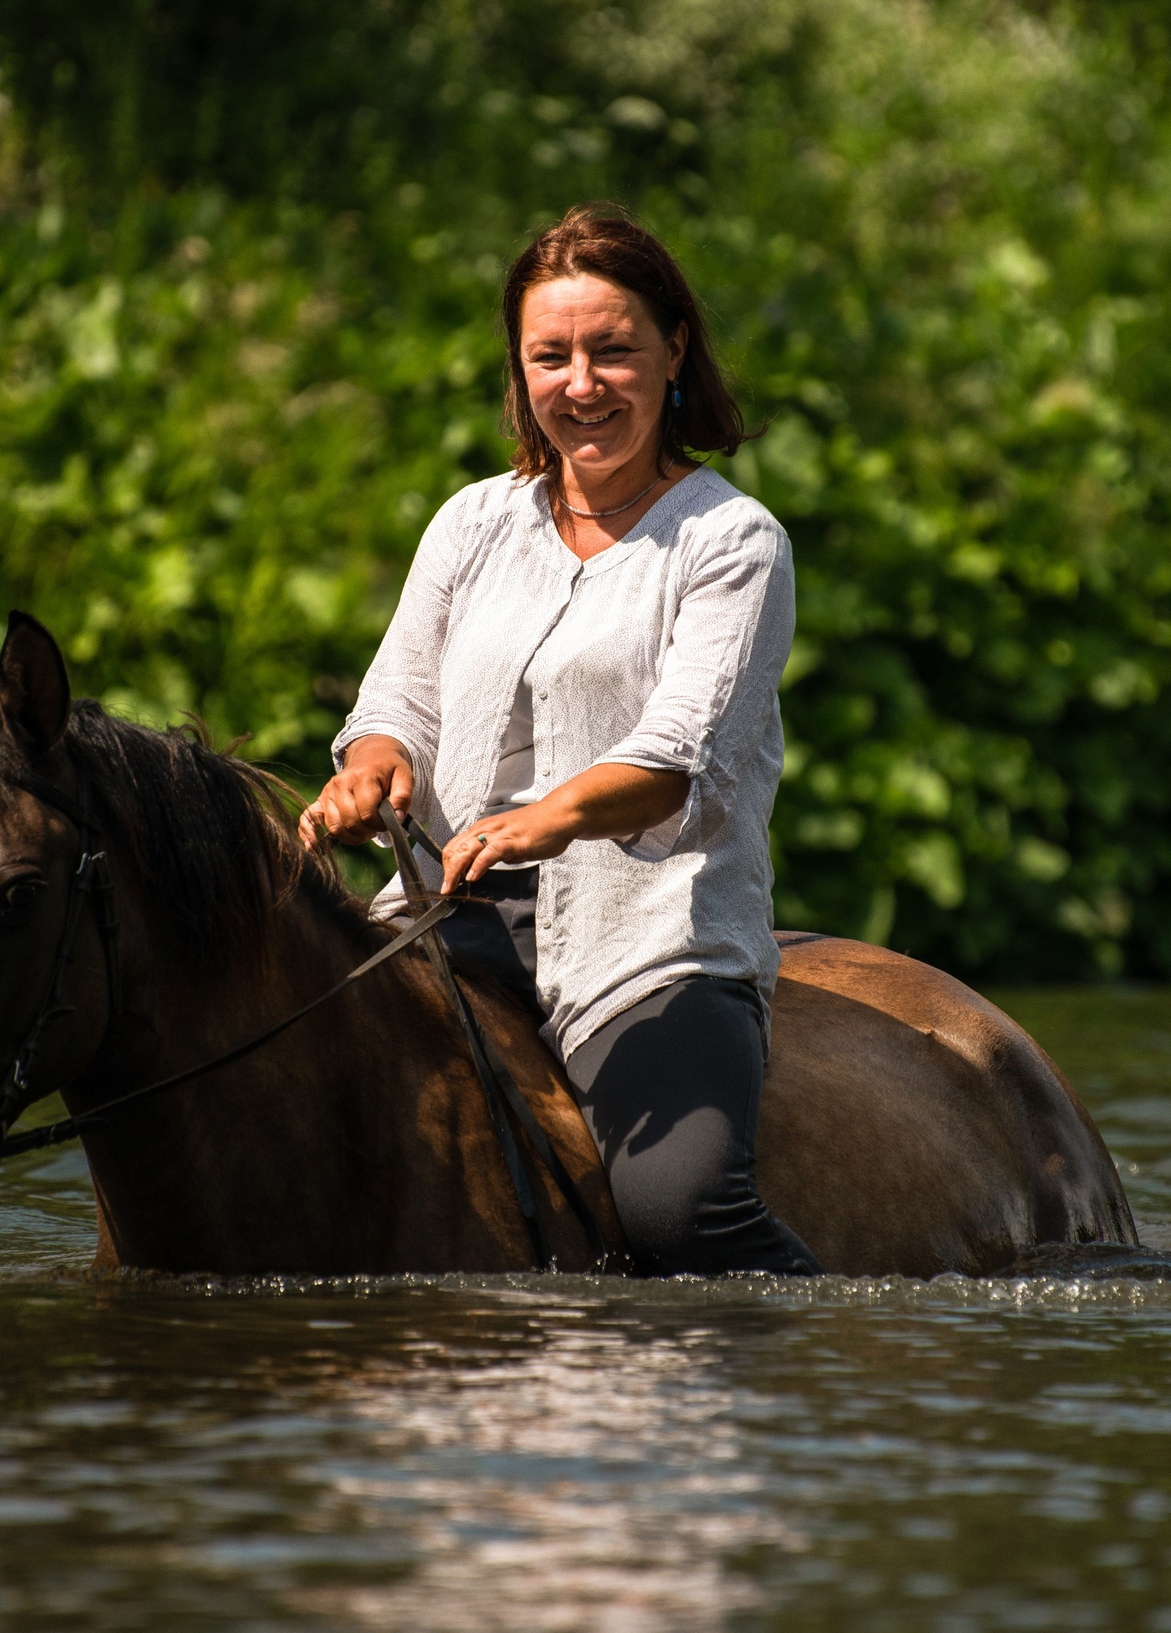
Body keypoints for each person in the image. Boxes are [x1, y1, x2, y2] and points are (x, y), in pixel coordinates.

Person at [298, 204, 821, 1275]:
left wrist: (542, 820)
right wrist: (368, 773)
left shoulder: (733, 542)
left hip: (651, 943)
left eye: (613, 350)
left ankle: (815, 1367)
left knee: (682, 1216)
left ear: (674, 353)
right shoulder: (472, 520)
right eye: (552, 356)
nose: (581, 384)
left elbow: (679, 757)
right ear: (520, 371)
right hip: (446, 913)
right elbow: (394, 705)